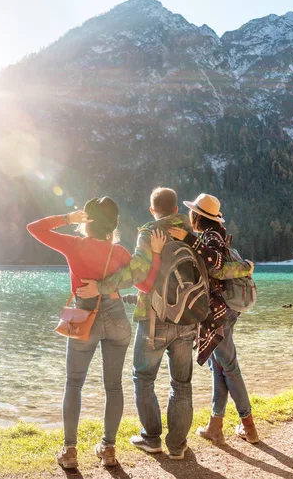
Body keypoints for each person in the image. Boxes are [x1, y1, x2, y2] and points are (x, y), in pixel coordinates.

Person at [77, 188, 250, 459]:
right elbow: (217, 268)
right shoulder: (193, 234)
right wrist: (247, 267)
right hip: (188, 319)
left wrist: (100, 286)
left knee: (143, 377)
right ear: (176, 209)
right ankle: (178, 446)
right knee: (181, 382)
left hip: (155, 319)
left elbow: (136, 272)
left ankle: (151, 437)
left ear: (152, 209)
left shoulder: (149, 232)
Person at [26, 197, 167, 468]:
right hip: (116, 318)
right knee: (113, 386)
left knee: (74, 383)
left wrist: (69, 219)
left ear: (88, 221)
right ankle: (109, 449)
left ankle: (69, 452)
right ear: (113, 224)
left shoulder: (74, 245)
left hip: (84, 319)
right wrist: (157, 254)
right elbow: (146, 283)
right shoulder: (121, 252)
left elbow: (35, 228)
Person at [167, 193, 258, 445]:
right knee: (218, 367)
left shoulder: (211, 238)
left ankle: (248, 425)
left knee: (228, 366)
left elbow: (215, 266)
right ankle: (215, 426)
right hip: (221, 310)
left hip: (219, 311)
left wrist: (187, 238)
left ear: (197, 216)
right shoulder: (212, 236)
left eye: (192, 213)